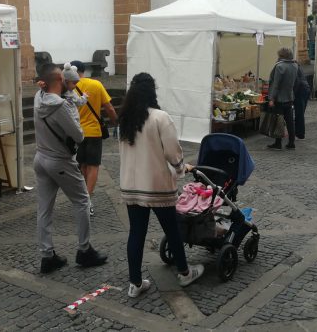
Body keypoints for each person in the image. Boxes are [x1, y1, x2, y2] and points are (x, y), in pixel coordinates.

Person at [118, 73, 204, 298]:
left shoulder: (124, 119)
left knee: (136, 233)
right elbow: (173, 151)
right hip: (157, 185)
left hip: (131, 185)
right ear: (152, 92)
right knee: (172, 230)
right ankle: (185, 272)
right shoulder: (160, 117)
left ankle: (135, 283)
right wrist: (180, 169)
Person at [33, 63, 108, 274]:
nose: (71, 84)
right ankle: (84, 250)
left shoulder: (39, 97)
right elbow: (79, 135)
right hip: (60, 160)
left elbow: (46, 88)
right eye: (67, 81)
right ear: (59, 82)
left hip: (40, 158)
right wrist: (73, 108)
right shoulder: (61, 106)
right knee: (82, 201)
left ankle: (47, 256)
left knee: (44, 209)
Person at [69, 60, 118, 216]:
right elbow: (109, 107)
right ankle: (87, 199)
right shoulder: (96, 85)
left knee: (81, 166)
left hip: (76, 132)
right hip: (94, 132)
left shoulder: (68, 87)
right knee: (93, 166)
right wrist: (116, 121)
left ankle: (82, 196)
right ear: (84, 70)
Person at [266, 48, 298, 150]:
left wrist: (271, 98)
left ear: (282, 55)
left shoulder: (280, 66)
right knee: (289, 121)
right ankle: (291, 142)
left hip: (279, 98)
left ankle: (278, 143)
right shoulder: (295, 65)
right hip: (289, 97)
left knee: (278, 121)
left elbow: (276, 84)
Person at [293, 62, 311, 140]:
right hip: (305, 89)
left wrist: (293, 93)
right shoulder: (297, 67)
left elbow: (297, 82)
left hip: (300, 91)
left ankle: (300, 134)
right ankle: (298, 132)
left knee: (299, 113)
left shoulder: (294, 68)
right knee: (300, 113)